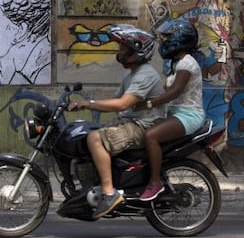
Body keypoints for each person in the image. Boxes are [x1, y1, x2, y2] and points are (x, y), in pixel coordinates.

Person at [68, 25, 166, 219]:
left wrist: (89, 103)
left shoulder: (145, 75)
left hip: (143, 125)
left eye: (123, 48)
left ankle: (109, 192)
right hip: (131, 121)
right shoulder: (131, 75)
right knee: (85, 132)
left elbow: (123, 104)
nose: (119, 52)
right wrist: (81, 104)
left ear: (135, 51)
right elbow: (114, 101)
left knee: (96, 139)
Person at [138, 18, 205, 201]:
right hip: (175, 114)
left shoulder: (187, 63)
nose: (164, 41)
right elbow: (165, 91)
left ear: (179, 38)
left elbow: (174, 92)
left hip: (188, 115)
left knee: (151, 136)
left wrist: (149, 104)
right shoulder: (177, 63)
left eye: (167, 37)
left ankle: (155, 182)